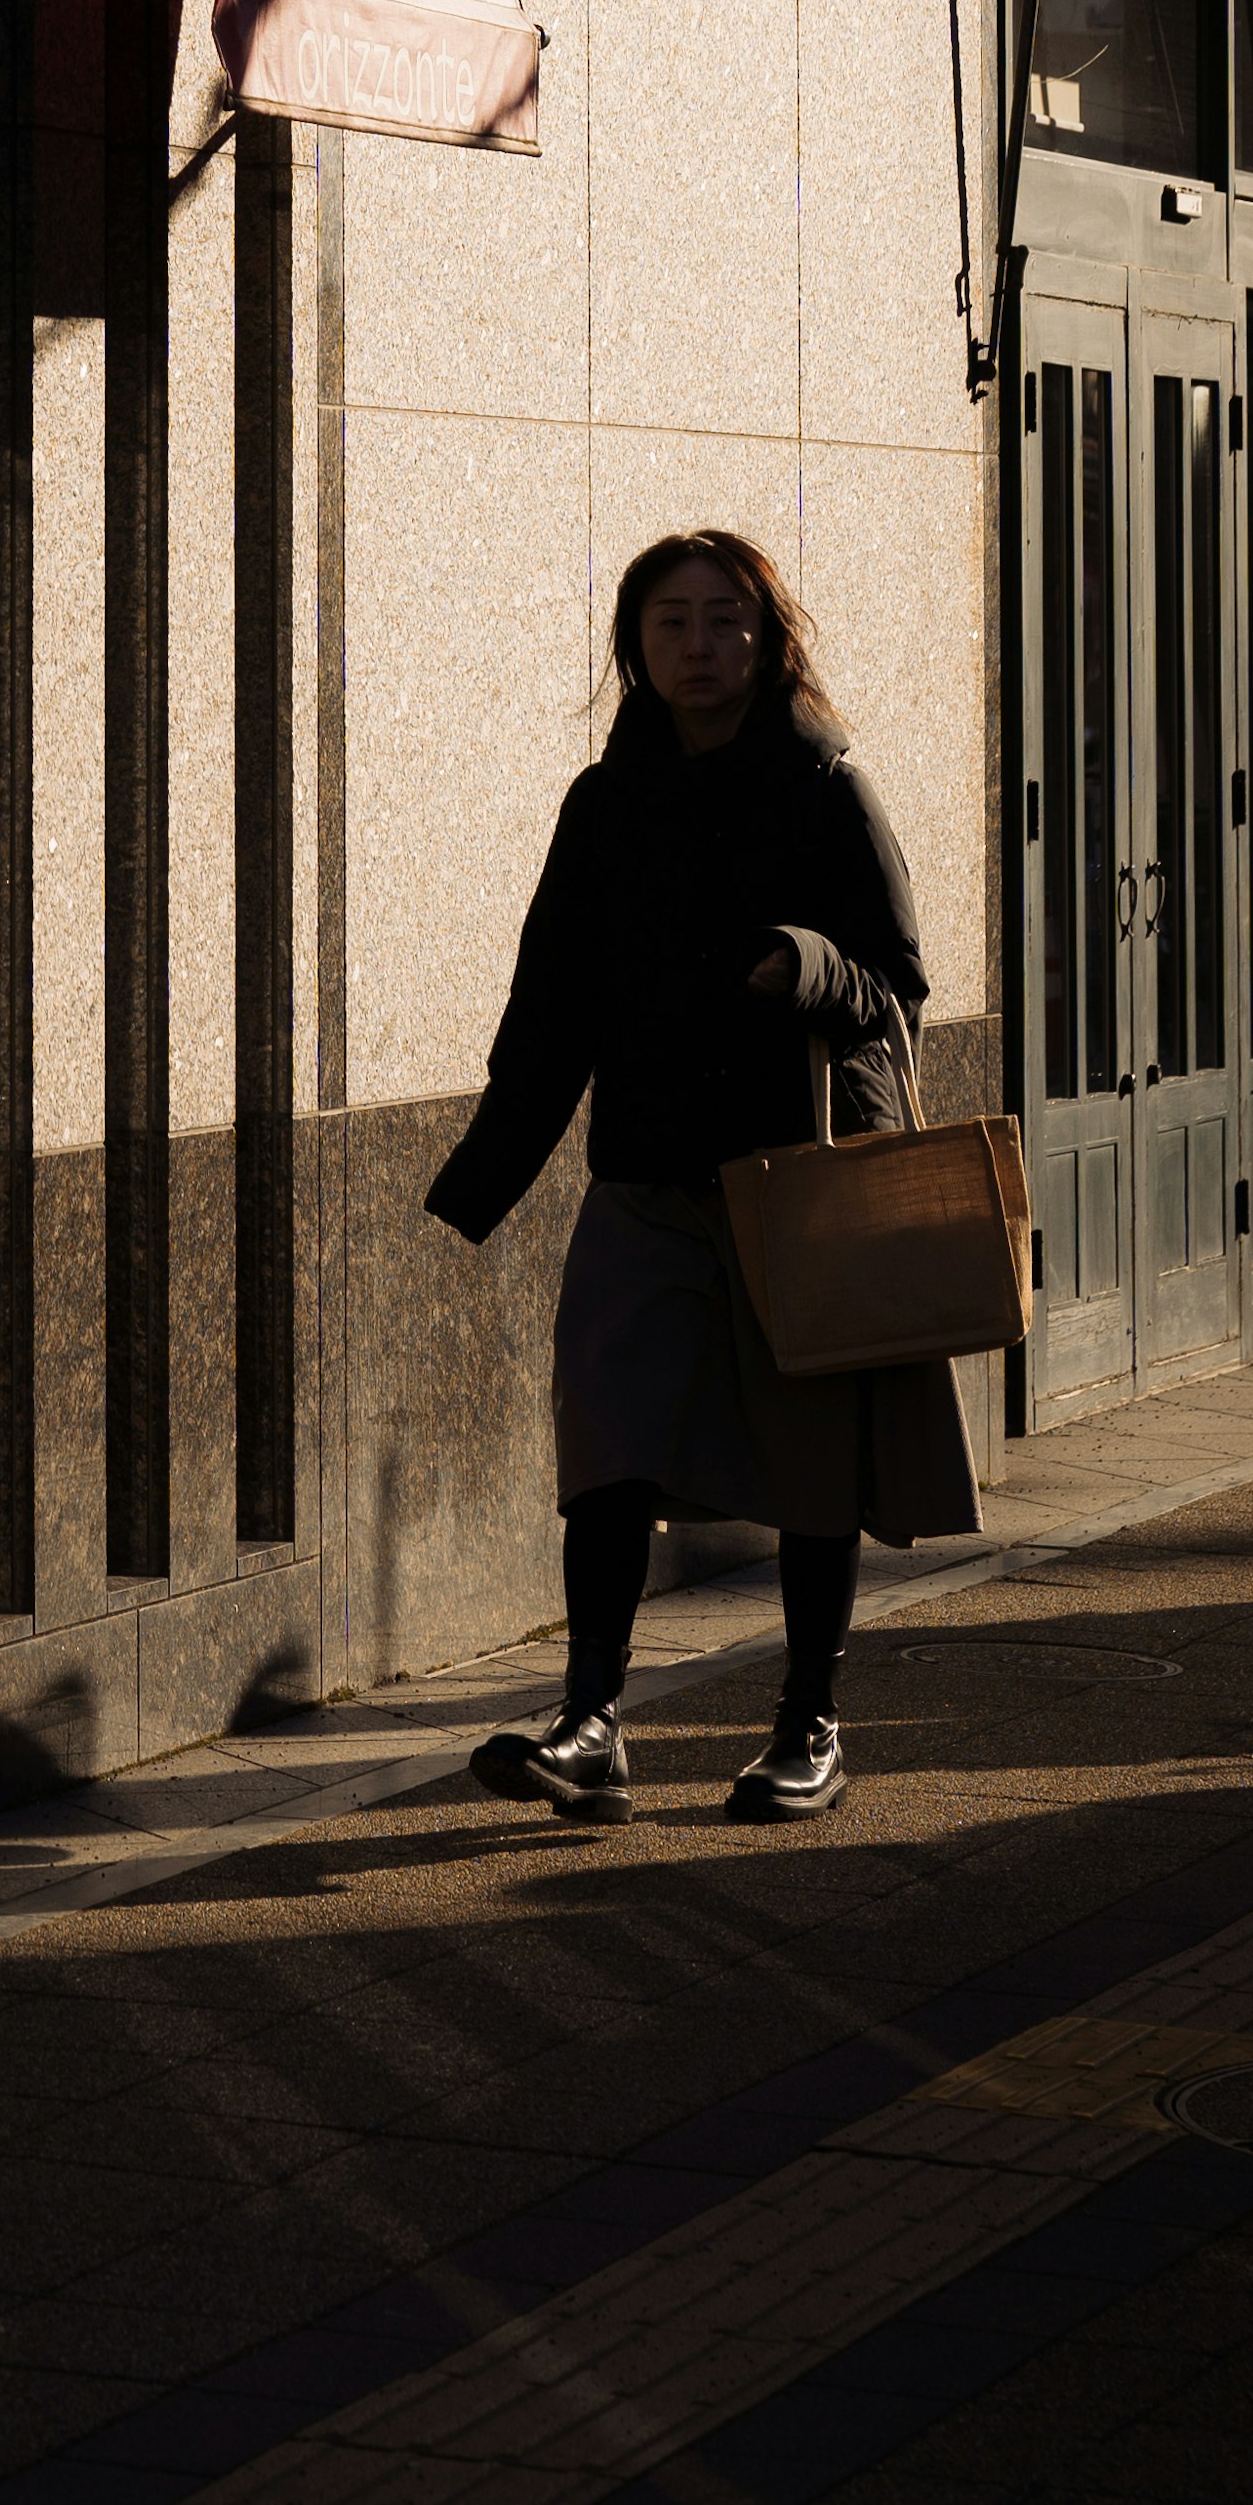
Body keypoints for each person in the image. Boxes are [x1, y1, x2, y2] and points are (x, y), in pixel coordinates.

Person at [427, 529, 978, 1821]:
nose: (697, 645)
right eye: (670, 622)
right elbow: (550, 1000)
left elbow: (898, 987)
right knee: (608, 1442)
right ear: (635, 645)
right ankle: (591, 1721)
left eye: (724, 620)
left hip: (798, 1177)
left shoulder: (825, 786)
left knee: (810, 1464)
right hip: (646, 1174)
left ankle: (809, 1728)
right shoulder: (604, 802)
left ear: (768, 637)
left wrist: (809, 962)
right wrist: (486, 1174)